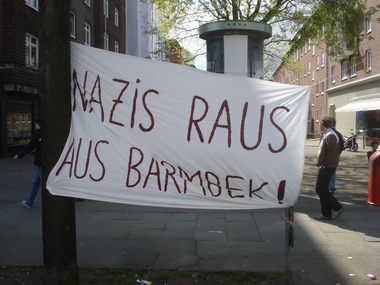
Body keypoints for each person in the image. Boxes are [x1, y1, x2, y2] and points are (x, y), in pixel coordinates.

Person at [315, 116, 344, 220]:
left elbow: (333, 154)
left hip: (327, 166)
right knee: (324, 189)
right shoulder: (328, 134)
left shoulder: (331, 135)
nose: (319, 126)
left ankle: (337, 207)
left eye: (320, 124)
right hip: (327, 165)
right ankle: (326, 214)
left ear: (323, 124)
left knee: (320, 189)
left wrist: (324, 164)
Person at [13, 117, 42, 208]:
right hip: (40, 161)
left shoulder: (39, 134)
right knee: (35, 182)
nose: (35, 126)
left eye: (35, 124)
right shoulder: (45, 133)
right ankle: (29, 202)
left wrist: (19, 155)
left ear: (38, 124)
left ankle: (52, 202)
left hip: (40, 161)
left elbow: (30, 147)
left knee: (45, 184)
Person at [328, 118, 344, 194]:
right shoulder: (337, 134)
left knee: (331, 175)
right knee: (331, 175)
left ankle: (330, 190)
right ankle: (329, 189)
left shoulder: (332, 134)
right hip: (333, 158)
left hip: (330, 160)